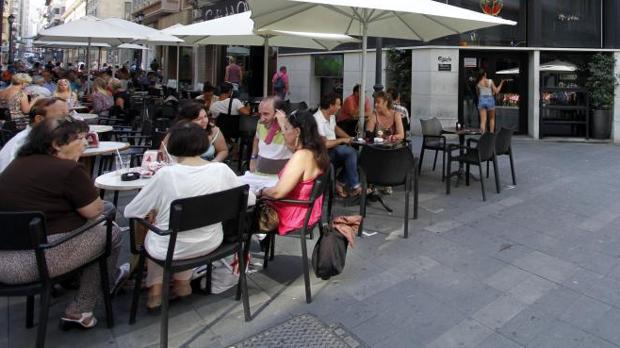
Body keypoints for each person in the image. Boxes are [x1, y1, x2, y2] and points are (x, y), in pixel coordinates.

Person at [0, 118, 124, 329]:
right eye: (80, 139)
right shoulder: (67, 170)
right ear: (57, 144)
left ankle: (80, 278)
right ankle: (82, 307)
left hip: (5, 259)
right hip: (37, 260)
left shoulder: (16, 164)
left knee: (105, 215)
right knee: (111, 232)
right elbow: (93, 210)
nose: (85, 143)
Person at [124, 122, 255, 310]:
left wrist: (154, 212)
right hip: (211, 241)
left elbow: (131, 211)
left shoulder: (166, 175)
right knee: (173, 230)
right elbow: (249, 199)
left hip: (171, 249)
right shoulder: (221, 170)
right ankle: (182, 283)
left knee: (159, 232)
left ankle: (155, 291)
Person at [258, 110, 328, 235]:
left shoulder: (301, 156)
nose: (283, 133)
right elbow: (291, 146)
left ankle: (242, 252)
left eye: (286, 129)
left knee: (243, 210)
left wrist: (261, 191)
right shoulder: (315, 151)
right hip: (307, 212)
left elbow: (278, 192)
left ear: (297, 132)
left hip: (293, 215)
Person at [0, 97, 69, 173]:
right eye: (61, 118)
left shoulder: (43, 139)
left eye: (68, 117)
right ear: (39, 119)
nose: (68, 123)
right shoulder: (23, 144)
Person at [313, 93, 361, 198]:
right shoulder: (317, 119)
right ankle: (355, 186)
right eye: (338, 105)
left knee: (358, 155)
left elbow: (335, 128)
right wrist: (342, 140)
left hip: (334, 149)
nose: (340, 107)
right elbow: (324, 144)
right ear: (330, 106)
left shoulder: (331, 116)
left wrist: (350, 138)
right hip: (323, 153)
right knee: (350, 152)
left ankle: (340, 182)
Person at [162, 101, 228, 162]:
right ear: (187, 121)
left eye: (205, 116)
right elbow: (163, 149)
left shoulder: (213, 130)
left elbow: (223, 150)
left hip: (206, 167)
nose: (204, 121)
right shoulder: (179, 130)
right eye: (199, 119)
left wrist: (213, 162)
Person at [250, 96, 293, 175]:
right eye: (260, 114)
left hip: (280, 178)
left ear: (279, 113)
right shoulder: (260, 123)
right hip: (259, 174)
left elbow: (294, 149)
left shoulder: (290, 127)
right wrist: (253, 158)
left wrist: (283, 126)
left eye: (266, 114)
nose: (262, 118)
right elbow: (256, 139)